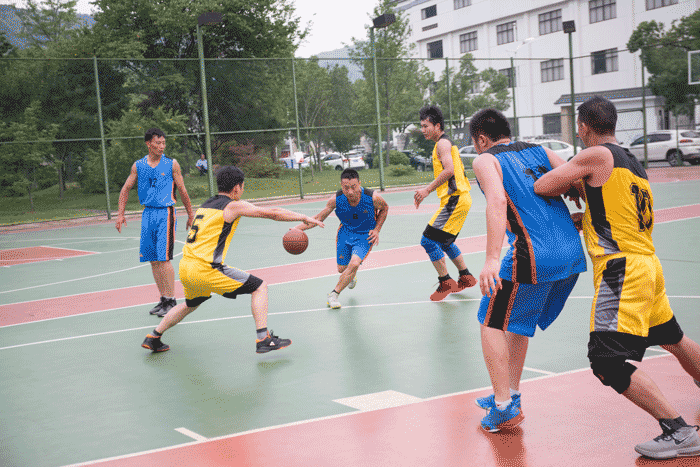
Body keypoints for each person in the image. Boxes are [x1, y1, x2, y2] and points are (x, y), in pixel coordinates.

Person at [534, 96, 700, 459]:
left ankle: (680, 431)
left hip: (622, 270)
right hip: (647, 264)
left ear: (583, 127)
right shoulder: (631, 161)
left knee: (606, 361)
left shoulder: (595, 155)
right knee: (670, 336)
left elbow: (543, 186)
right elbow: (620, 209)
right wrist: (590, 215)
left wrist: (571, 181)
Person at [469, 109, 587, 433]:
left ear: (481, 139)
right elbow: (579, 180)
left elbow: (496, 202)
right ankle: (510, 394)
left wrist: (492, 259)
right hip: (570, 252)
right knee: (517, 322)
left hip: (533, 254)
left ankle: (503, 406)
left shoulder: (485, 160)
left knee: (490, 320)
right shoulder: (542, 151)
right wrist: (587, 219)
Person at [142, 166, 324, 354]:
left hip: (186, 267)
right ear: (237, 187)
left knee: (190, 304)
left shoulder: (206, 204)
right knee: (259, 287)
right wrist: (303, 217)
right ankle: (263, 339)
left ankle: (154, 336)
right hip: (206, 268)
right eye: (242, 186)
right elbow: (272, 212)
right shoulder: (232, 205)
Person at [116, 128, 195, 317]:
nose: (161, 146)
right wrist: (120, 214)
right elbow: (125, 189)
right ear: (148, 144)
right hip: (148, 214)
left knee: (163, 258)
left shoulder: (171, 164)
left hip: (165, 213)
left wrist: (190, 214)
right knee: (153, 259)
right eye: (158, 143)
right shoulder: (138, 166)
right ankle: (164, 298)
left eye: (163, 143)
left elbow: (182, 190)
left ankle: (172, 300)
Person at [293, 168, 388, 309]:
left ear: (359, 183)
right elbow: (318, 218)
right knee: (342, 269)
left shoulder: (372, 197)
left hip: (365, 236)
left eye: (353, 187)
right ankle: (350, 276)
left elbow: (385, 208)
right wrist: (296, 229)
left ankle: (333, 294)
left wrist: (377, 229)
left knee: (354, 263)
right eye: (346, 188)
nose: (350, 191)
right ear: (341, 185)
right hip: (345, 234)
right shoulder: (336, 200)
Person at [414, 105, 477, 301]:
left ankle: (446, 281)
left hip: (455, 198)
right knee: (444, 241)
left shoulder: (442, 144)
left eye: (426, 126)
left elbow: (449, 170)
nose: (423, 130)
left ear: (437, 125)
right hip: (458, 198)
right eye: (421, 126)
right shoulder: (444, 143)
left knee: (428, 240)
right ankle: (465, 276)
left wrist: (426, 190)